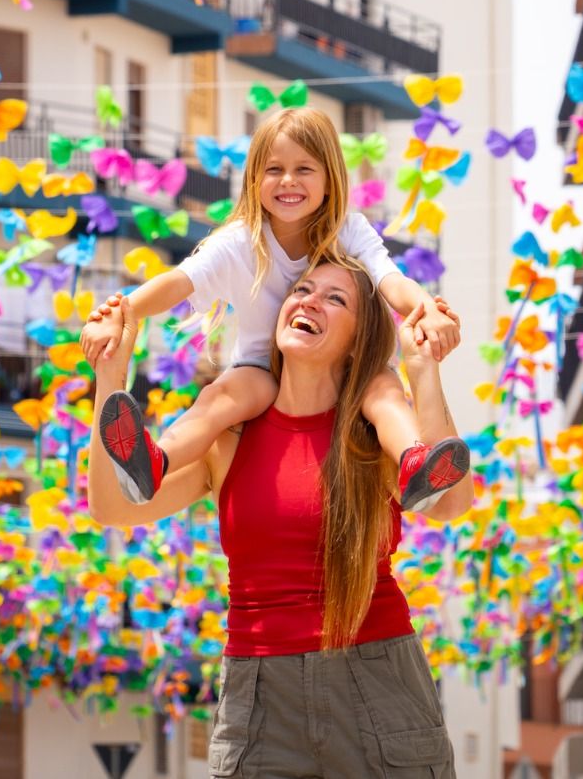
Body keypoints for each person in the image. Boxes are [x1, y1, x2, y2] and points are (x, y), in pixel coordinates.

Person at [85, 257, 470, 778]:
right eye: (304, 289)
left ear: (359, 341)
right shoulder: (230, 436)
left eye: (335, 298)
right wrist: (111, 374)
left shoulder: (374, 432)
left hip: (377, 679)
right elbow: (112, 507)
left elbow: (449, 503)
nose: (309, 300)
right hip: (259, 695)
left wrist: (424, 374)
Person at [81, 107, 465, 513]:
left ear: (330, 181)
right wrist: (123, 313)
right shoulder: (240, 242)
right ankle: (155, 461)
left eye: (304, 169)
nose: (288, 181)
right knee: (219, 398)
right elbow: (178, 281)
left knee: (384, 392)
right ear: (253, 179)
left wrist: (427, 307)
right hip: (261, 368)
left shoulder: (349, 231)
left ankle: (413, 462)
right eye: (273, 169)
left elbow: (391, 281)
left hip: (353, 373)